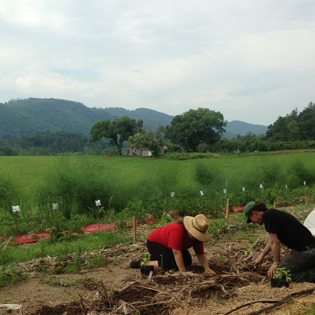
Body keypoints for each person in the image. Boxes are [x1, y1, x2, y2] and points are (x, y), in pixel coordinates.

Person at [244, 201, 315, 284]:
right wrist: (262, 255)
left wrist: (275, 263)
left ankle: (312, 275)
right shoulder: (271, 214)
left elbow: (275, 242)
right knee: (285, 267)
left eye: (250, 219)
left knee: (278, 275)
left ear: (254, 213)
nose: (252, 222)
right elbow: (272, 240)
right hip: (305, 250)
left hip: (308, 251)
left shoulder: (268, 216)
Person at [142, 213, 216, 275]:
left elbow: (200, 253)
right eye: (195, 233)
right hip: (156, 243)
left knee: (187, 261)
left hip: (171, 246)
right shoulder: (178, 229)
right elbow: (176, 252)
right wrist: (183, 272)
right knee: (171, 264)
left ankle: (158, 258)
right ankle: (145, 263)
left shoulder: (197, 238)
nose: (196, 236)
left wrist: (206, 268)